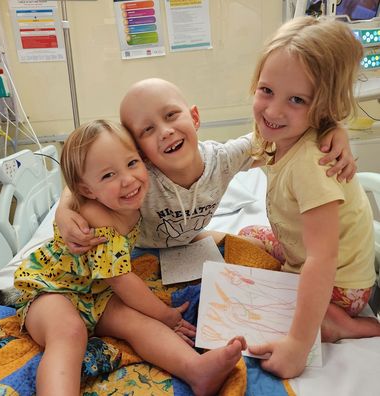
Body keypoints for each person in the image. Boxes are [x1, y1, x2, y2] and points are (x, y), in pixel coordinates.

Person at [14, 119, 246, 396]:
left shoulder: (136, 194)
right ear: (88, 190)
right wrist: (166, 315)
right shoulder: (98, 220)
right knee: (68, 333)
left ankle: (195, 370)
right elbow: (122, 280)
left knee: (139, 324)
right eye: (108, 176)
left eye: (132, 164)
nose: (127, 180)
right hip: (51, 290)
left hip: (96, 294)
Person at [56, 78, 357, 253]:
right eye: (147, 130)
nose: (164, 131)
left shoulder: (223, 160)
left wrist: (331, 129)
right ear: (139, 151)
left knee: (258, 250)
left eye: (171, 115)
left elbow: (282, 136)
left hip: (189, 243)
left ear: (195, 118)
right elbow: (88, 180)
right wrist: (63, 211)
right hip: (140, 251)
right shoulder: (138, 177)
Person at [243, 16, 380, 379]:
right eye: (266, 91)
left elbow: (323, 258)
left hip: (341, 285)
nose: (273, 111)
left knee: (273, 312)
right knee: (245, 240)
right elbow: (233, 157)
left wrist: (297, 346)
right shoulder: (279, 135)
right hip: (302, 253)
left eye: (297, 100)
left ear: (324, 106)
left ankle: (343, 326)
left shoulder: (311, 163)